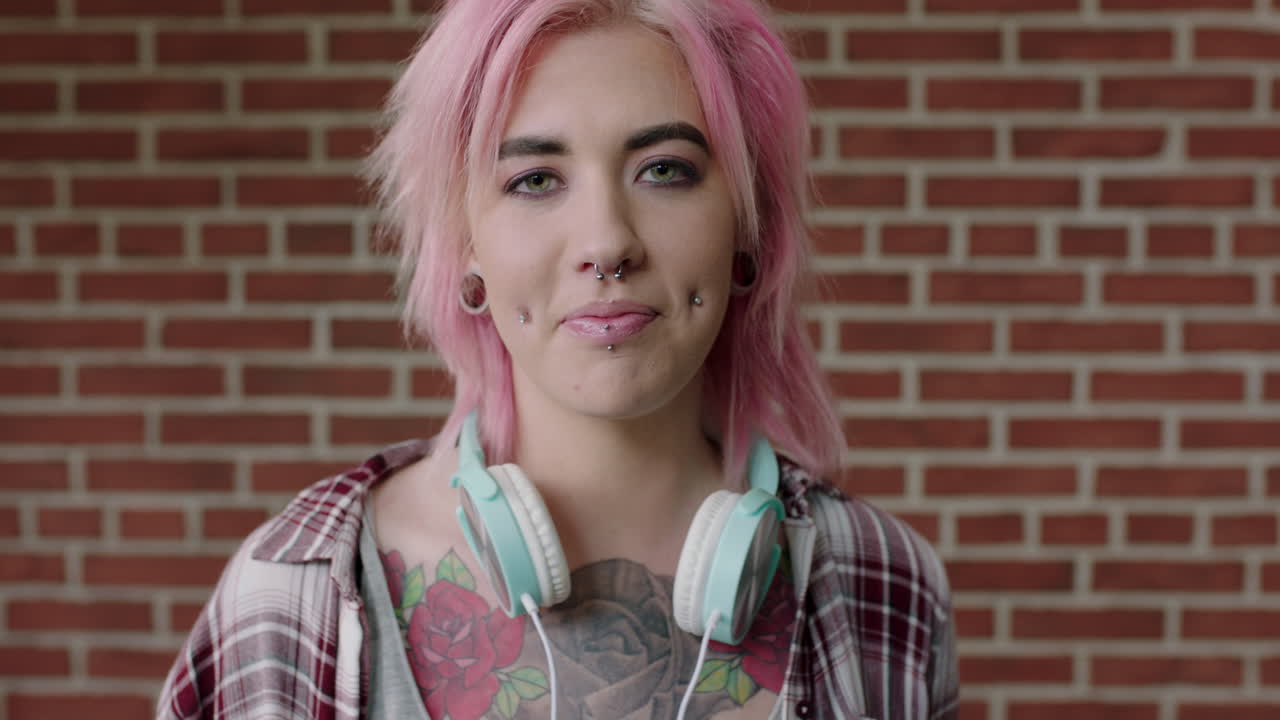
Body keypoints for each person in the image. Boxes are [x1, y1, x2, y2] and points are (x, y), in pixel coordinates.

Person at [157, 0, 958, 718]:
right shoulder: (289, 596)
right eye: (536, 178)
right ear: (465, 247)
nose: (608, 241)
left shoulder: (881, 583)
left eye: (665, 170)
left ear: (748, 230)